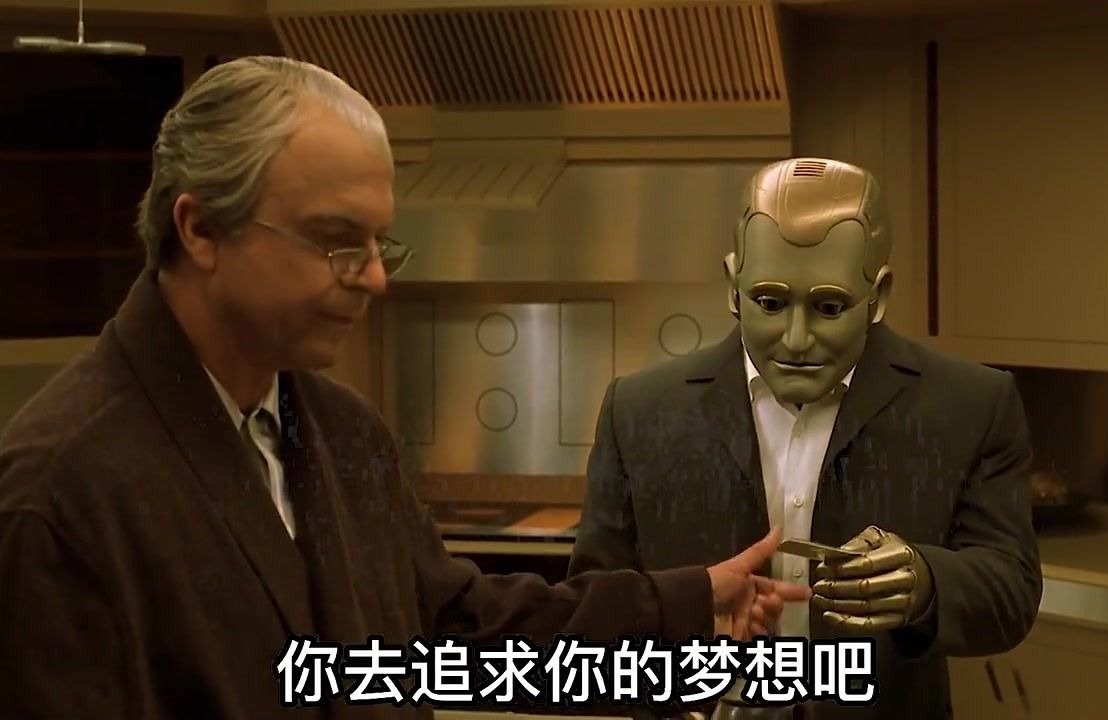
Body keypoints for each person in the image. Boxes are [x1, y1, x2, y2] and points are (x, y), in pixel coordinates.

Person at [0, 57, 813, 720]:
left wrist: (682, 609)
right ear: (200, 227)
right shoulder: (61, 495)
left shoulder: (339, 429)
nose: (375, 279)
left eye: (379, 244)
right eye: (335, 241)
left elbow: (456, 634)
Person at [568, 158, 1043, 719]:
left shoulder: (970, 405)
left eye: (829, 307)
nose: (796, 338)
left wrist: (925, 584)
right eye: (770, 303)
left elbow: (1010, 591)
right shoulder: (640, 411)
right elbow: (592, 610)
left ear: (879, 294)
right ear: (732, 285)